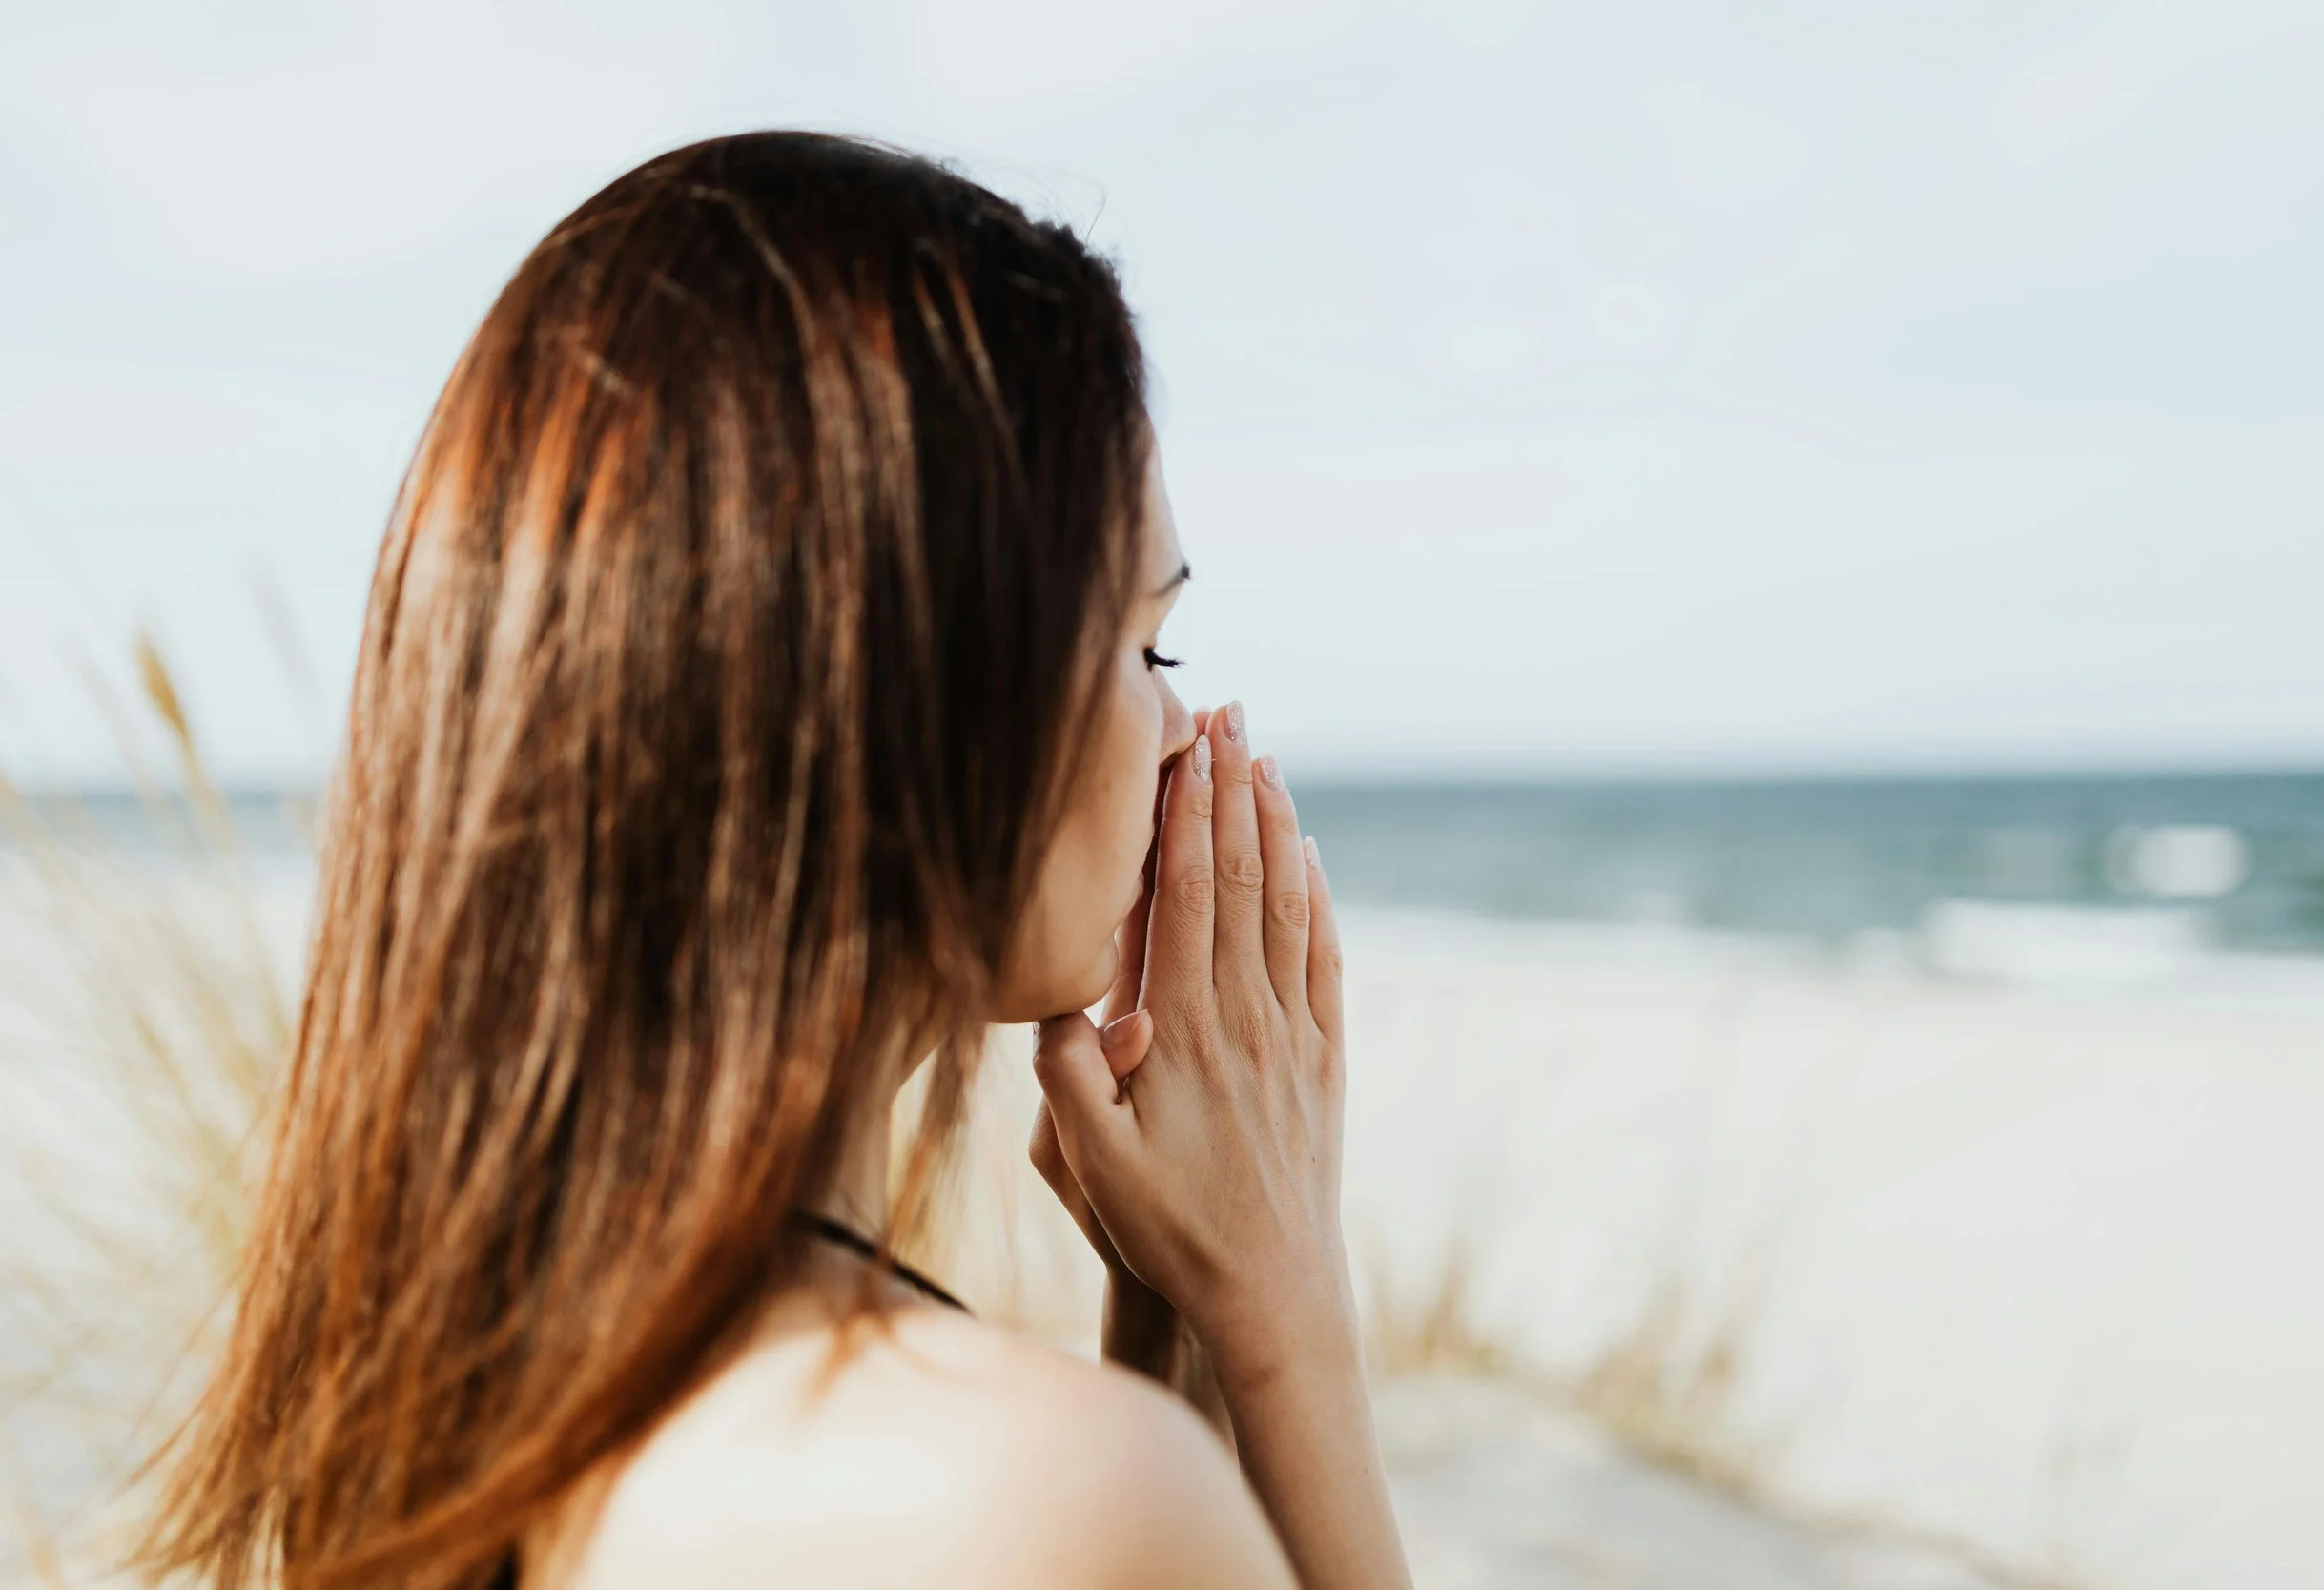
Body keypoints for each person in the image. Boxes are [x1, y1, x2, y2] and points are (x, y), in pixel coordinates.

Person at [137, 132, 1412, 1590]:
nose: (1183, 726)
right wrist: (1289, 1323)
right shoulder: (1054, 1502)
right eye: (1143, 640)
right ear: (922, 689)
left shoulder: (432, 1384)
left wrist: (1166, 1311)